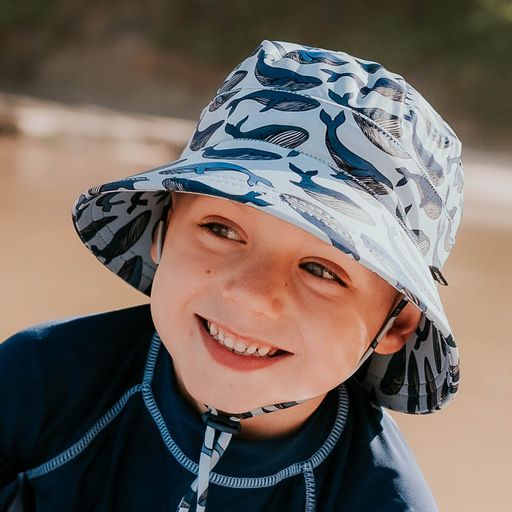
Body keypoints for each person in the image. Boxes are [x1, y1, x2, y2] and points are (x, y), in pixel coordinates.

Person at [0, 40, 463, 511]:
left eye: (323, 270)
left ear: (398, 323)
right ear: (162, 229)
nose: (251, 296)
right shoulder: (37, 383)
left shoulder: (380, 499)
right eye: (220, 229)